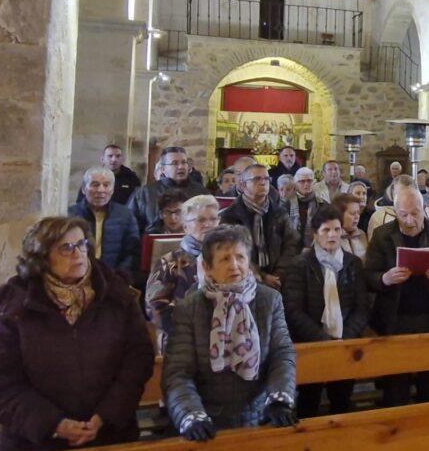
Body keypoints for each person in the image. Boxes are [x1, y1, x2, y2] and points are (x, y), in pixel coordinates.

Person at [163, 225, 297, 451]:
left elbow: (281, 354)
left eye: (240, 257)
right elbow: (177, 373)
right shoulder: (190, 308)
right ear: (208, 268)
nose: (234, 265)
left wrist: (279, 396)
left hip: (252, 419)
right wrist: (189, 415)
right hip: (206, 425)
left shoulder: (268, 300)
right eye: (224, 259)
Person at [0, 216, 154, 451]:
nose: (78, 253)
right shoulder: (17, 307)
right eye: (66, 248)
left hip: (110, 437)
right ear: (41, 257)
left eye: (81, 244)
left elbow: (137, 362)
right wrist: (54, 424)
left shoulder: (116, 296)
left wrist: (105, 416)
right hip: (36, 445)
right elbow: (0, 381)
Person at [364, 188, 429, 406]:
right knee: (396, 385)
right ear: (395, 212)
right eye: (404, 214)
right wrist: (385, 278)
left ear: (424, 210)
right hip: (395, 317)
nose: (409, 220)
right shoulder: (382, 235)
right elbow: (369, 275)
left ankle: (428, 431)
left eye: (415, 213)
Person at [282, 205, 369, 418]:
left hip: (345, 342)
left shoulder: (352, 263)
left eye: (337, 230)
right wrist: (322, 340)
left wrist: (345, 338)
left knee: (341, 398)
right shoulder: (300, 265)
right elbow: (293, 311)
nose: (332, 235)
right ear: (315, 234)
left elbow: (362, 307)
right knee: (309, 400)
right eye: (326, 230)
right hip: (312, 343)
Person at [146, 194, 220, 353]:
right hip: (181, 340)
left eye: (213, 219)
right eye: (200, 220)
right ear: (185, 227)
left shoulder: (228, 259)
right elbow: (155, 307)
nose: (208, 225)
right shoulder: (170, 262)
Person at [219, 164, 301, 290]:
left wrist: (279, 274)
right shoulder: (231, 215)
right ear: (243, 184)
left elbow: (291, 244)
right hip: (243, 280)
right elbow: (230, 251)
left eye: (266, 179)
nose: (263, 182)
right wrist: (261, 276)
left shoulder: (279, 213)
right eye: (257, 179)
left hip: (279, 279)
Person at [68, 165, 141, 280]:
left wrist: (119, 276)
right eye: (95, 184)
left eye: (106, 185)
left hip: (113, 278)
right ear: (83, 189)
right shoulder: (70, 215)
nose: (100, 190)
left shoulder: (125, 215)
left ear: (112, 190)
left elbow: (132, 252)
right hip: (78, 277)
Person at [128, 146, 207, 233]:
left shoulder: (201, 192)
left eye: (184, 162)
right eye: (174, 163)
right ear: (163, 169)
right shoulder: (145, 193)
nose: (181, 167)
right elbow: (130, 225)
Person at [368, 175, 429, 239]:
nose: (405, 198)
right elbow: (375, 245)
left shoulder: (428, 212)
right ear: (393, 194)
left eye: (409, 194)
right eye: (401, 194)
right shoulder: (379, 216)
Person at [75, 144, 142, 206]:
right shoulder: (92, 176)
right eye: (110, 156)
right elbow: (81, 200)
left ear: (122, 159)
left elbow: (138, 202)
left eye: (118, 156)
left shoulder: (131, 178)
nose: (114, 159)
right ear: (102, 159)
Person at [291, 167, 325, 248]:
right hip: (291, 248)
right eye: (302, 181)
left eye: (309, 181)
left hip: (316, 247)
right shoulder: (287, 203)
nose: (306, 184)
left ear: (314, 182)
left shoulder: (322, 204)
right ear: (295, 184)